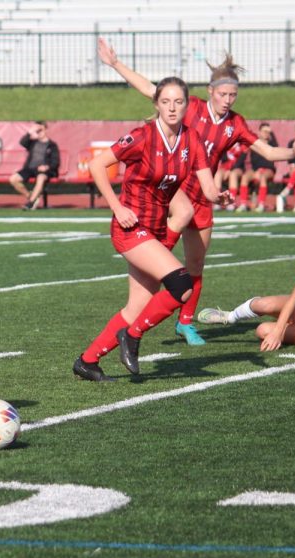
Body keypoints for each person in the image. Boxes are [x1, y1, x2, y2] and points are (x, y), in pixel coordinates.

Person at [97, 39, 295, 346]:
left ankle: (185, 322)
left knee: (197, 265)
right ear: (210, 91)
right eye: (223, 94)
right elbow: (150, 89)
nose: (228, 100)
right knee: (180, 217)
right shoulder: (191, 107)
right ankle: (153, 259)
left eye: (233, 95)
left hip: (206, 194)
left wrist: (294, 152)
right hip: (174, 188)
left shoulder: (235, 124)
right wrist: (115, 64)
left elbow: (266, 150)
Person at [73, 76, 230, 382]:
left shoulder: (192, 140)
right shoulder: (142, 136)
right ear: (156, 104)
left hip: (155, 229)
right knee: (182, 284)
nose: (172, 108)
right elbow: (97, 165)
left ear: (187, 105)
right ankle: (131, 338)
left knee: (137, 306)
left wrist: (219, 196)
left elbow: (208, 188)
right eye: (166, 101)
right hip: (130, 228)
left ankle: (87, 361)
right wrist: (117, 207)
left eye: (179, 101)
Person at [11, 121, 61, 210]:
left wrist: (46, 167)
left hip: (44, 170)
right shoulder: (33, 142)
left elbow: (56, 162)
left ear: (46, 129)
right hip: (30, 169)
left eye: (41, 130)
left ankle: (30, 203)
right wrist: (30, 132)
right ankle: (31, 196)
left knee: (41, 178)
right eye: (37, 131)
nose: (39, 132)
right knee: (13, 179)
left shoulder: (52, 145)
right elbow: (22, 142)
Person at [236, 123, 278, 213]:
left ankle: (261, 204)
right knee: (245, 177)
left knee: (263, 177)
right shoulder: (255, 143)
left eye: (268, 132)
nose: (266, 133)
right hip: (255, 170)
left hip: (268, 170)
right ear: (259, 132)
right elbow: (245, 154)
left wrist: (271, 133)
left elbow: (276, 149)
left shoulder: (272, 143)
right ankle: (243, 204)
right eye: (264, 131)